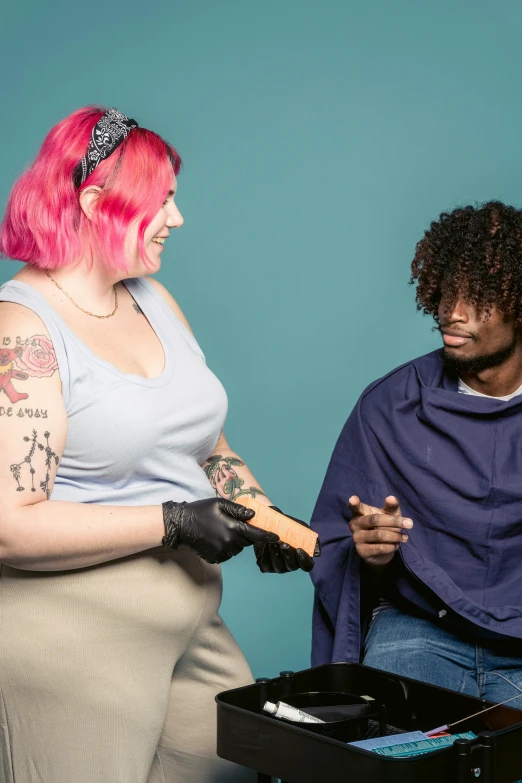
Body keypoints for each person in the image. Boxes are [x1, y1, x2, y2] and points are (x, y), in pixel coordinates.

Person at [0, 106, 317, 783]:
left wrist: (264, 516)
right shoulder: (23, 332)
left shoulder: (151, 298)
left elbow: (207, 444)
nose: (177, 219)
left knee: (239, 766)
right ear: (93, 202)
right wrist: (172, 521)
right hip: (75, 642)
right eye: (161, 201)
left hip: (189, 620)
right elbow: (8, 527)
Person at [311, 201, 522, 707]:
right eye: (448, 291)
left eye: (481, 296)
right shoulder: (390, 406)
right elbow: (334, 546)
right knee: (390, 750)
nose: (453, 311)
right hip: (421, 627)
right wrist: (372, 553)